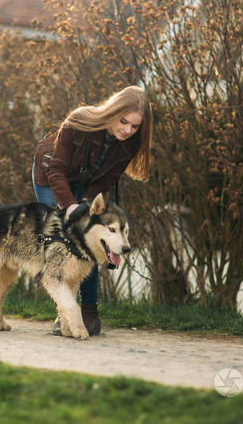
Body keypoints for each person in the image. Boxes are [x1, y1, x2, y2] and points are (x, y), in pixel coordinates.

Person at [32, 85, 153, 335]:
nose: (127, 130)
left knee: (90, 243)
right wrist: (70, 205)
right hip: (50, 174)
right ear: (113, 111)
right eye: (123, 122)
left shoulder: (130, 142)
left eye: (134, 126)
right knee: (58, 242)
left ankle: (89, 311)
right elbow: (56, 169)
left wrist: (86, 203)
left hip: (86, 184)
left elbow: (105, 180)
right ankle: (64, 314)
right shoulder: (80, 121)